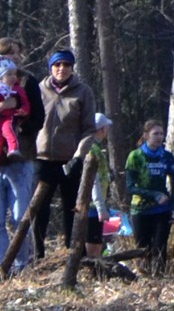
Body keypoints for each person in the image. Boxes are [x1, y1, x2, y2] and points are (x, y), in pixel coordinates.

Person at [33, 49, 97, 258]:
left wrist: (79, 155)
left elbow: (89, 128)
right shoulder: (39, 89)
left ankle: (73, 255)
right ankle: (37, 254)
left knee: (72, 209)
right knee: (39, 210)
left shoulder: (83, 92)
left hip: (70, 160)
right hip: (42, 158)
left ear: (72, 68)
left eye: (66, 65)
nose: (62, 69)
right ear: (51, 67)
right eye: (57, 65)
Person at [0, 38, 46, 268]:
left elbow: (38, 117)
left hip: (21, 157)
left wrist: (19, 126)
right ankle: (2, 267)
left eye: (18, 53)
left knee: (21, 217)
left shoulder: (28, 81)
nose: (15, 57)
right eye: (9, 53)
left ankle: (22, 266)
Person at [126, 119, 174, 276]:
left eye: (161, 134)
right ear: (146, 135)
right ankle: (144, 277)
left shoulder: (167, 157)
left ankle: (160, 279)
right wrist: (154, 195)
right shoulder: (135, 156)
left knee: (160, 246)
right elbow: (130, 186)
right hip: (140, 209)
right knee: (143, 247)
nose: (159, 137)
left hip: (162, 209)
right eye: (155, 133)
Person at [86, 113, 114, 258]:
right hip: (92, 207)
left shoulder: (92, 147)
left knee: (96, 245)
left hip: (94, 205)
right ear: (102, 129)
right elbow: (93, 181)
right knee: (94, 247)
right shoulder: (93, 150)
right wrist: (101, 208)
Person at [0, 59, 29, 158]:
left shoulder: (17, 89)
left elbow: (24, 102)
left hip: (9, 116)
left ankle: (13, 150)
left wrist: (24, 110)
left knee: (9, 130)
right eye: (9, 74)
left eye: (14, 74)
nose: (13, 77)